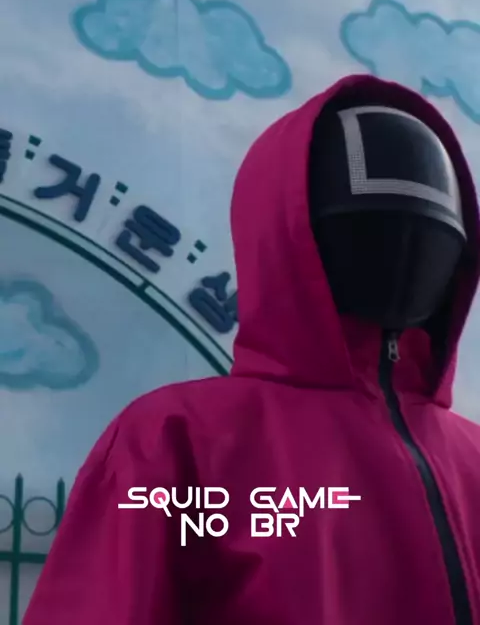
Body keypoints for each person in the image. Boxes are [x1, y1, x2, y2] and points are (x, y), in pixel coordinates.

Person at [24, 74, 480, 625]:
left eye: (425, 230)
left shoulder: (474, 457)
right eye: (373, 226)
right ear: (285, 229)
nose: (404, 249)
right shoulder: (178, 442)